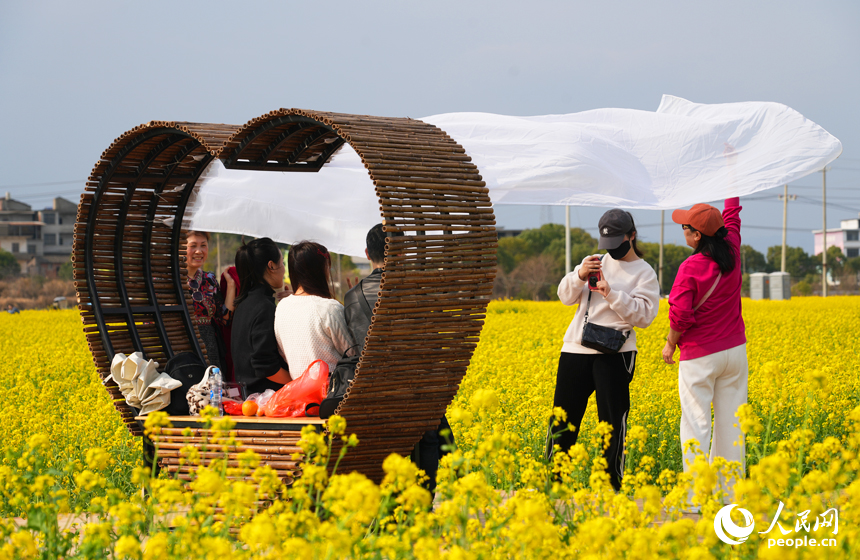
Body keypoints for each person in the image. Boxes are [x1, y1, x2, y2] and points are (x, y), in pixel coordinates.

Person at [550, 209, 660, 491]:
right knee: (563, 417)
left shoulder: (645, 273)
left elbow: (644, 317)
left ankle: (610, 484)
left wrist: (611, 294)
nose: (611, 250)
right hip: (576, 349)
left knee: (611, 421)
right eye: (606, 243)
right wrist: (578, 274)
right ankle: (553, 481)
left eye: (617, 242)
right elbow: (564, 296)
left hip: (615, 354)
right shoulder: (596, 262)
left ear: (631, 236)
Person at [343, 224, 453, 494]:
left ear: (368, 254)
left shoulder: (352, 297)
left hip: (374, 397)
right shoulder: (419, 293)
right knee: (428, 437)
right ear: (402, 252)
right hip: (418, 396)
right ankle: (423, 503)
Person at [662, 198, 746, 480]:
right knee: (732, 423)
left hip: (700, 355)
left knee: (696, 422)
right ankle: (729, 490)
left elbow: (681, 316)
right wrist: (731, 168)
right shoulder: (732, 247)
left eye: (685, 227)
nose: (683, 231)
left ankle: (697, 496)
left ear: (697, 235)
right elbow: (732, 214)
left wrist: (671, 343)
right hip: (735, 351)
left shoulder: (691, 267)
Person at [275, 241, 354, 378]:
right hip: (332, 395)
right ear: (321, 270)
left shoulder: (282, 307)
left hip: (299, 394)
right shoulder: (329, 308)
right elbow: (353, 352)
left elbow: (283, 353)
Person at [232, 238, 292, 395]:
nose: (284, 269)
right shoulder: (264, 307)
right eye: (282, 263)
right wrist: (296, 382)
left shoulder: (244, 303)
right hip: (265, 399)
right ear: (271, 266)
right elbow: (266, 366)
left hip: (249, 396)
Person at [185, 231, 235, 370]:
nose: (199, 251)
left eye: (203, 245)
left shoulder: (210, 279)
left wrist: (231, 286)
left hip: (209, 348)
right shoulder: (168, 280)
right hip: (180, 344)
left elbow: (224, 317)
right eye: (193, 246)